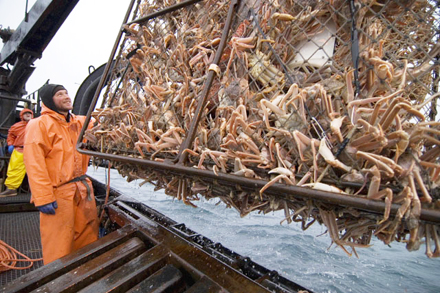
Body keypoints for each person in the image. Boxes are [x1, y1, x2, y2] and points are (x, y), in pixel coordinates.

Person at [23, 84, 99, 265]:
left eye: (66, 93)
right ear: (49, 101)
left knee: (87, 239)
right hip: (58, 194)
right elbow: (34, 163)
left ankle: (86, 275)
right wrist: (43, 197)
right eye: (59, 94)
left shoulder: (79, 122)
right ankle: (58, 283)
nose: (66, 96)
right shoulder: (39, 124)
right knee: (59, 245)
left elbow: (104, 123)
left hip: (82, 190)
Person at [0, 108, 34, 197]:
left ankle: (40, 191)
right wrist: (10, 144)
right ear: (21, 116)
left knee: (38, 170)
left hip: (34, 150)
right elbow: (10, 135)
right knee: (14, 169)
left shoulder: (37, 124)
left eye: (29, 113)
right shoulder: (16, 126)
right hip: (20, 150)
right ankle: (11, 189)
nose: (27, 115)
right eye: (25, 113)